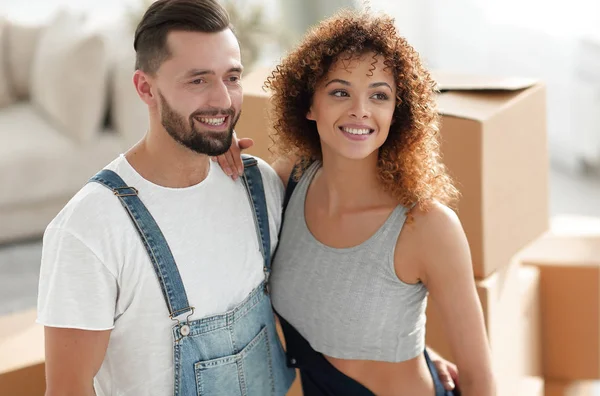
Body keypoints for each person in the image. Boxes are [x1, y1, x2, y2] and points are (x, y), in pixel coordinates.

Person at [218, 9, 496, 396]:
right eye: (340, 91)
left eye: (379, 95)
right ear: (309, 105)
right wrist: (215, 151)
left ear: (396, 111)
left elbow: (481, 381)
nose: (360, 110)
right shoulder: (288, 181)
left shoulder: (428, 226)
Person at [36, 1, 296, 395]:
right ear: (145, 88)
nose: (223, 100)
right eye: (198, 81)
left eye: (232, 77)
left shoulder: (257, 186)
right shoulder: (90, 228)